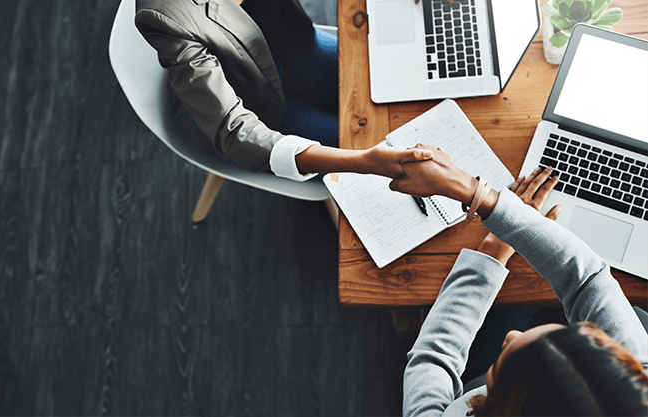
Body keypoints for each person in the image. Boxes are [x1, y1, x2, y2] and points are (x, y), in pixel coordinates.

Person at [389, 144, 648, 416]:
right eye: (564, 333)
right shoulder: (633, 388)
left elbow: (433, 359)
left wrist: (491, 251)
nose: (511, 337)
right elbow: (587, 279)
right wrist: (477, 194)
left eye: (501, 369)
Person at [134, 0, 432, 181]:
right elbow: (234, 131)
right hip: (253, 107)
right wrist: (362, 161)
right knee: (377, 150)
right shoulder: (162, 14)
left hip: (292, 44)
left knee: (407, 83)